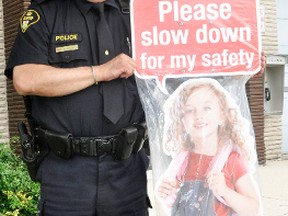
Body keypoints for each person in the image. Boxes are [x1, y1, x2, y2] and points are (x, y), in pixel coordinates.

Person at [5, 0, 150, 215]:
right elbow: (25, 79)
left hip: (128, 171)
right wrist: (99, 72)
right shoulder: (45, 13)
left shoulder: (141, 13)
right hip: (66, 174)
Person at [156, 78, 262, 216]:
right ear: (181, 121)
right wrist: (166, 192)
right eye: (189, 110)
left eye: (206, 108)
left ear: (222, 116)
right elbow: (176, 204)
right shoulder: (182, 162)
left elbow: (253, 208)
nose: (199, 115)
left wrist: (225, 191)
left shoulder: (232, 160)